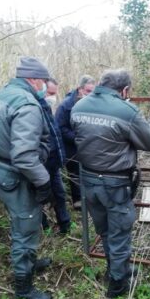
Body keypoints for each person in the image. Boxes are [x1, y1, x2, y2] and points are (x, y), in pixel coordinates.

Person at [70, 69, 150, 299]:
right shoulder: (127, 111)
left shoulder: (79, 106)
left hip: (89, 181)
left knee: (105, 230)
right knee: (119, 232)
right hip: (115, 184)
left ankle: (116, 269)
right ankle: (117, 286)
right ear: (124, 91)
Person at [0, 57, 54, 299]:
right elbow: (24, 156)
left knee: (21, 222)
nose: (46, 86)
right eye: (44, 81)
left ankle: (30, 263)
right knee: (26, 227)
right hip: (17, 176)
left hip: (1, 170)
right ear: (34, 80)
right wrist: (44, 182)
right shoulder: (27, 104)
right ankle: (24, 289)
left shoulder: (3, 95)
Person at [55, 75, 96, 209]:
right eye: (88, 91)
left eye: (93, 91)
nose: (90, 94)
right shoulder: (66, 106)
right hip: (71, 148)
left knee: (90, 172)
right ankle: (78, 200)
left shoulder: (92, 104)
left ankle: (91, 198)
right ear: (80, 89)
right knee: (75, 173)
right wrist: (76, 138)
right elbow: (60, 128)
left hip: (88, 146)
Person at [39, 78, 71, 233]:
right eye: (50, 93)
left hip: (53, 163)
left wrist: (60, 159)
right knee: (38, 196)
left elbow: (56, 136)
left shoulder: (49, 109)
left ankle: (64, 225)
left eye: (55, 93)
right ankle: (43, 227)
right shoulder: (32, 108)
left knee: (59, 193)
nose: (53, 97)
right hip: (39, 163)